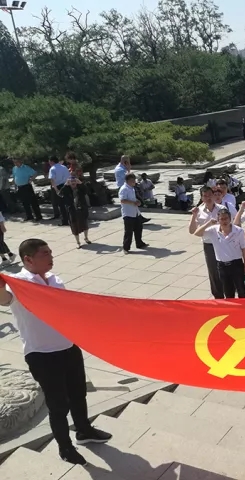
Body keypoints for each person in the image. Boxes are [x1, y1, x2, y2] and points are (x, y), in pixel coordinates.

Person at [0, 239, 112, 465]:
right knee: (58, 404)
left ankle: (84, 430)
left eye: (50, 252)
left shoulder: (55, 279)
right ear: (28, 259)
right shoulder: (18, 283)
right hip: (42, 355)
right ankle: (65, 448)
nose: (51, 256)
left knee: (78, 394)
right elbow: (5, 300)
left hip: (68, 347)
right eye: (45, 253)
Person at [194, 208, 245, 298]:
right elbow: (197, 233)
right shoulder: (213, 230)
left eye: (226, 218)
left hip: (236, 264)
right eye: (222, 219)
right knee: (228, 291)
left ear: (230, 218)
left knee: (241, 290)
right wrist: (208, 223)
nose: (224, 221)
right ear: (218, 220)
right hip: (222, 266)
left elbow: (244, 249)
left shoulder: (238, 231)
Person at [189, 186, 225, 299]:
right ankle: (218, 295)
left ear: (214, 195)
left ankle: (228, 290)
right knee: (213, 270)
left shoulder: (222, 209)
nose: (208, 198)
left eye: (210, 195)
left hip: (222, 243)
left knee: (225, 268)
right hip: (209, 244)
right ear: (202, 198)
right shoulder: (198, 211)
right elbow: (192, 231)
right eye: (205, 196)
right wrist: (193, 216)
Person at [118, 173, 147, 254]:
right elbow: (122, 200)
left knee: (139, 228)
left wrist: (137, 202)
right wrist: (133, 203)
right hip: (128, 213)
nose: (134, 181)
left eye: (134, 180)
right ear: (128, 181)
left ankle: (139, 243)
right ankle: (126, 248)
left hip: (135, 212)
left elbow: (133, 198)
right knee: (128, 231)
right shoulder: (124, 189)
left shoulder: (131, 188)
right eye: (133, 180)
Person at [59, 177, 91, 249]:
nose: (73, 183)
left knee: (85, 224)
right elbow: (60, 194)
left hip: (82, 209)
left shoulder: (80, 188)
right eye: (71, 181)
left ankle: (86, 238)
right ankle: (78, 242)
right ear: (69, 183)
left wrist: (81, 183)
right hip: (72, 210)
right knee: (74, 226)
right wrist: (65, 185)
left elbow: (87, 191)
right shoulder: (66, 189)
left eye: (74, 181)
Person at [48, 156, 70, 226]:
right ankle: (70, 218)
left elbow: (52, 180)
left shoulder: (52, 169)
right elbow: (68, 176)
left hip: (58, 186)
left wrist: (56, 190)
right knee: (67, 203)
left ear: (52, 161)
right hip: (66, 185)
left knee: (61, 204)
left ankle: (65, 221)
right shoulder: (64, 167)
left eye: (49, 162)